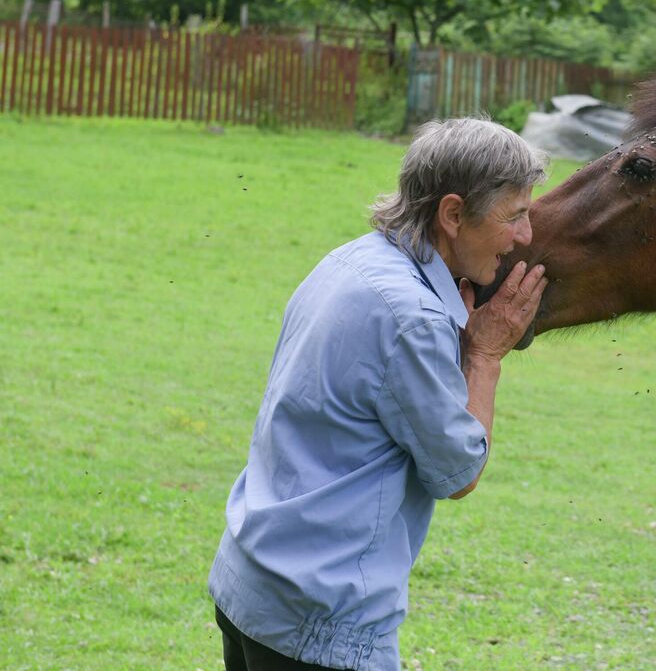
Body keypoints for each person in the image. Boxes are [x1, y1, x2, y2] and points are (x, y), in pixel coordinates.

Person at [208, 118, 548, 670]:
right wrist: (484, 357)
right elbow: (458, 473)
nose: (526, 237)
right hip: (319, 622)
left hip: (251, 583)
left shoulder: (350, 260)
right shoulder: (411, 317)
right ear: (454, 214)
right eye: (515, 216)